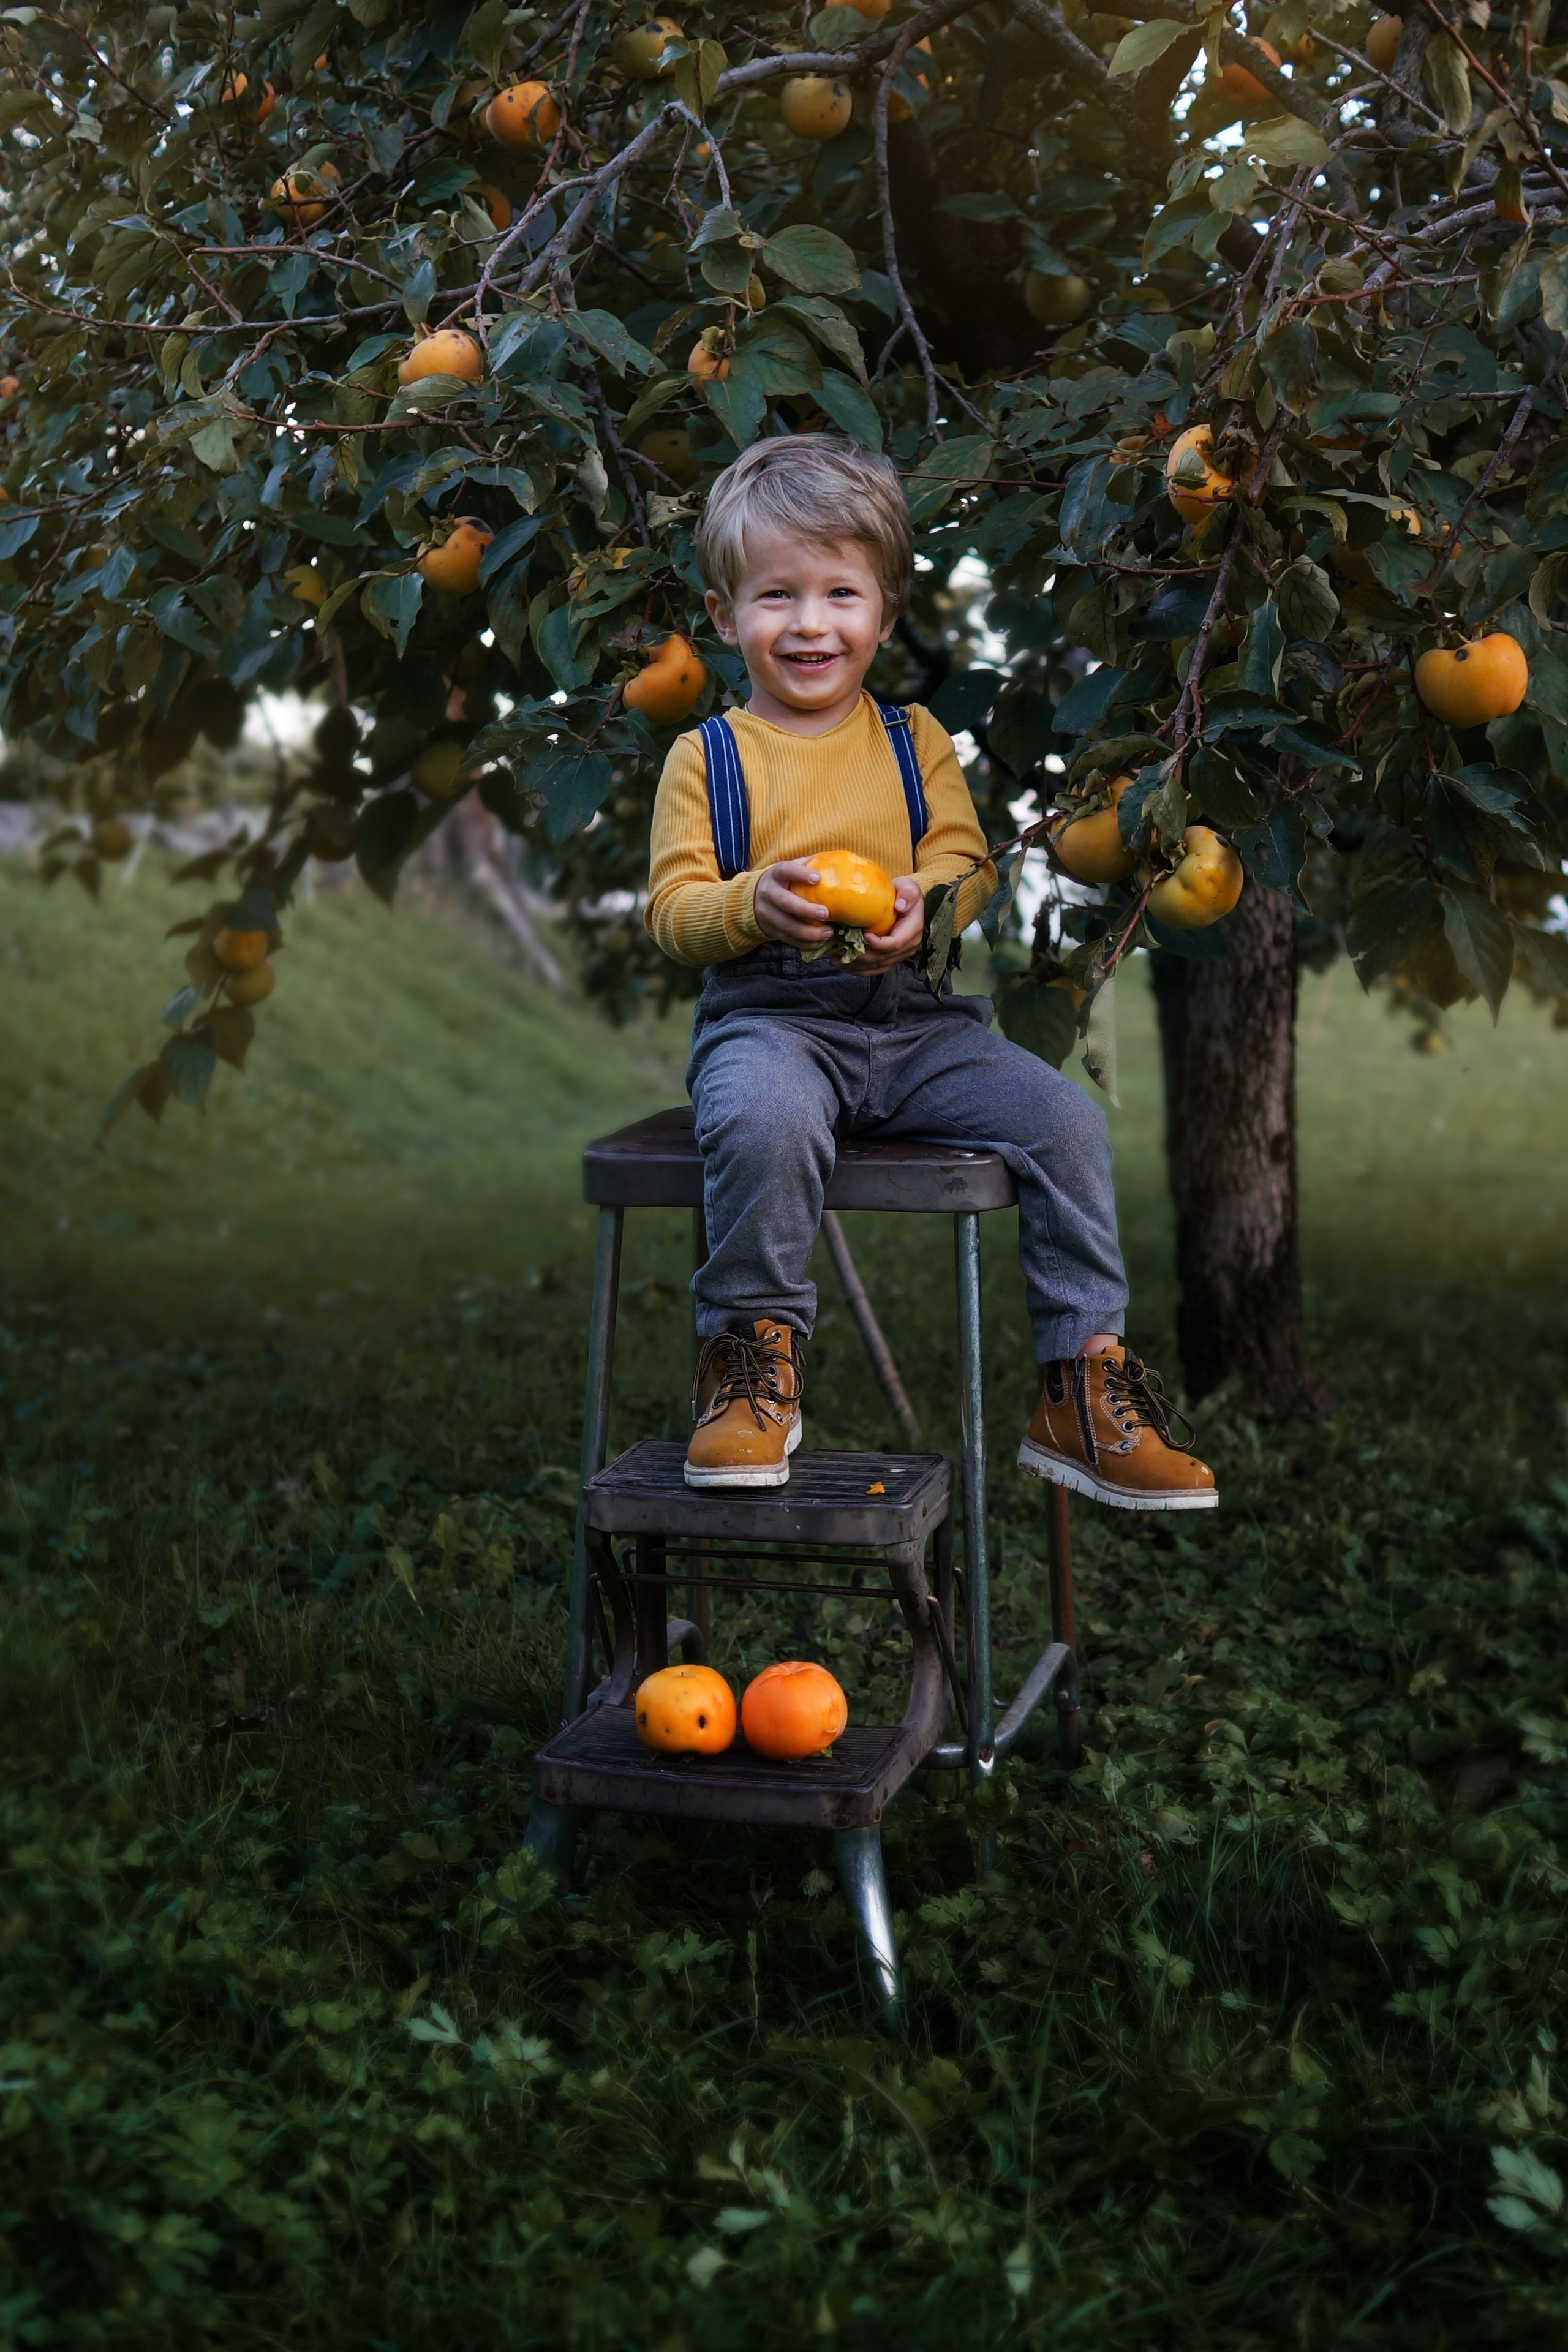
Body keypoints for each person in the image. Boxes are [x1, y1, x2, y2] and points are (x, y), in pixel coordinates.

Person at [644, 435, 1215, 1512]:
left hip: (916, 1025)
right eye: (776, 595)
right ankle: (749, 1361)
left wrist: (928, 908)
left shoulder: (915, 742)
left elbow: (967, 869)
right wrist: (750, 901)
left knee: (1066, 1123)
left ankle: (1080, 1383)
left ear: (885, 613)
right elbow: (674, 914)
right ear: (725, 617)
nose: (810, 624)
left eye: (839, 594)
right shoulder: (709, 757)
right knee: (761, 1118)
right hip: (773, 1021)